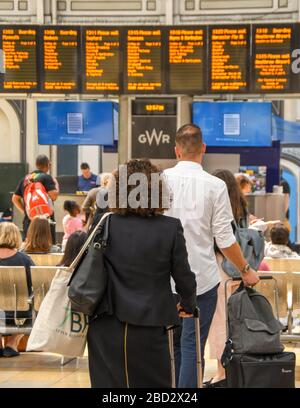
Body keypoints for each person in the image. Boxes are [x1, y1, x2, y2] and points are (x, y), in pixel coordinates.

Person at [164, 124, 259, 388]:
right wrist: (245, 269)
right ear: (203, 149)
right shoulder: (215, 186)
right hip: (201, 282)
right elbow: (225, 239)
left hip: (164, 281)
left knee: (170, 348)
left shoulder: (158, 181)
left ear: (176, 150)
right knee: (193, 347)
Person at [87, 159, 197, 388]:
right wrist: (187, 304)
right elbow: (184, 277)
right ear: (157, 191)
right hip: (150, 323)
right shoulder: (170, 227)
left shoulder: (104, 223)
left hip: (105, 321)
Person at [207, 169, 250, 387]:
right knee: (235, 321)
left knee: (219, 321)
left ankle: (222, 371)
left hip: (219, 268)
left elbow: (219, 240)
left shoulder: (216, 204)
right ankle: (234, 368)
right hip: (240, 268)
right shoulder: (241, 206)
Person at [0, 222, 34, 357]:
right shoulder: (24, 260)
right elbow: (35, 286)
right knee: (31, 303)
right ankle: (12, 344)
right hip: (18, 313)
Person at [12, 154, 59, 243]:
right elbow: (54, 196)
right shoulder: (46, 177)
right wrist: (56, 185)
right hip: (45, 222)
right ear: (47, 164)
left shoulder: (26, 179)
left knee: (29, 247)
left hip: (29, 220)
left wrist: (25, 212)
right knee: (47, 248)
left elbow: (14, 198)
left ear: (36, 164)